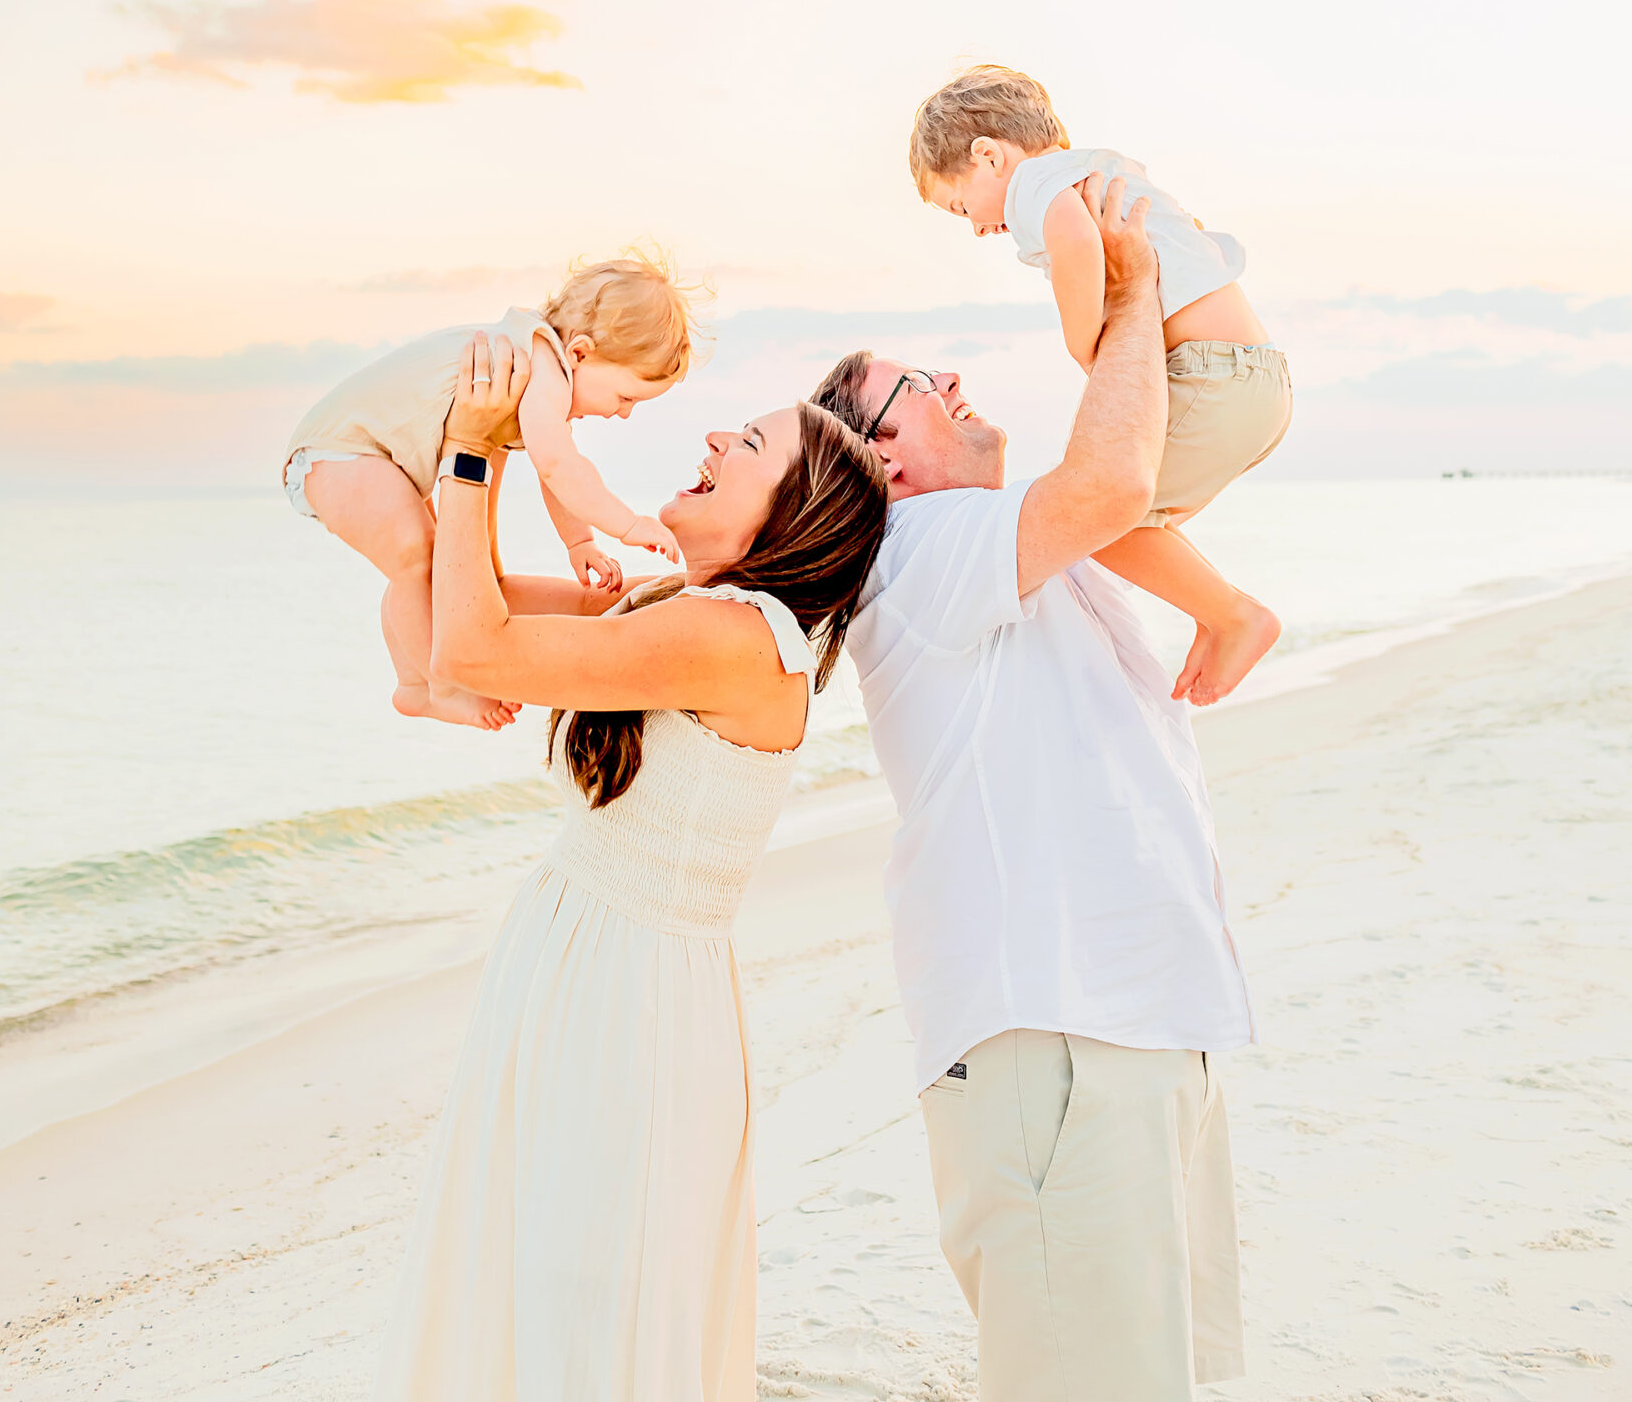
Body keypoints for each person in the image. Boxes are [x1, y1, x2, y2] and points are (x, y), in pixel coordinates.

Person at [373, 333, 890, 1402]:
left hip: (632, 996)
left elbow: (473, 652)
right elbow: (450, 610)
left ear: (785, 517)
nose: (711, 435)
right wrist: (509, 441)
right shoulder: (673, 610)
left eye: (747, 443)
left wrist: (474, 457)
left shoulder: (741, 638)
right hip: (579, 959)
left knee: (586, 1281)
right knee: (538, 1259)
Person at [813, 175, 1255, 1402]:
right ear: (887, 461)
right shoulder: (924, 550)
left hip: (1130, 1025)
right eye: (920, 389)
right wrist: (1133, 289)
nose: (953, 382)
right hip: (1061, 1036)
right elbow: (1113, 480)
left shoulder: (991, 546)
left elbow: (1130, 493)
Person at [909, 62, 1290, 701]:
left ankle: (1234, 616)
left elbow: (1078, 246)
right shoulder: (1109, 173)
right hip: (1255, 381)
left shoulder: (1035, 183)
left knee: (1096, 518)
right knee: (1148, 525)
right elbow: (1213, 248)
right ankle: (1217, 615)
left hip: (1213, 380)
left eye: (961, 204)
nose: (976, 226)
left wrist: (1085, 344)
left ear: (988, 156)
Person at [281, 255, 693, 728]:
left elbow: (551, 469)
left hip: (346, 456)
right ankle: (445, 685)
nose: (623, 414)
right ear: (580, 353)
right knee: (417, 556)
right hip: (338, 452)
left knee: (425, 564)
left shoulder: (539, 367)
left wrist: (579, 543)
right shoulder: (543, 366)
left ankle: (413, 687)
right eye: (626, 397)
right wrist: (630, 524)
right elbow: (560, 465)